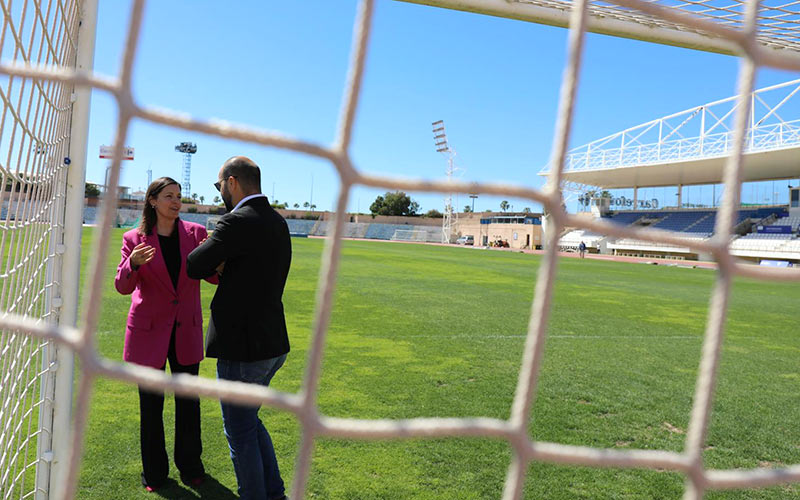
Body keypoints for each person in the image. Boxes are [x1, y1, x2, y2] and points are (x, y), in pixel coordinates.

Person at [186, 156, 291, 500]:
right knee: (250, 423)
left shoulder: (236, 222)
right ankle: (274, 493)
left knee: (240, 433)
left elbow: (194, 264)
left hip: (242, 348)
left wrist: (219, 256)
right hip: (272, 343)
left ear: (232, 183)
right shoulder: (277, 221)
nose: (220, 194)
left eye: (219, 187)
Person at [114, 176, 218, 492]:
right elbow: (122, 286)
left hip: (185, 331)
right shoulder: (135, 239)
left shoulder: (197, 234)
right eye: (169, 196)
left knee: (189, 404)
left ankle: (191, 467)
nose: (176, 201)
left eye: (179, 196)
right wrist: (131, 264)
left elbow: (213, 278)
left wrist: (212, 255)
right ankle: (155, 475)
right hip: (148, 334)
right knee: (151, 408)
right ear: (153, 201)